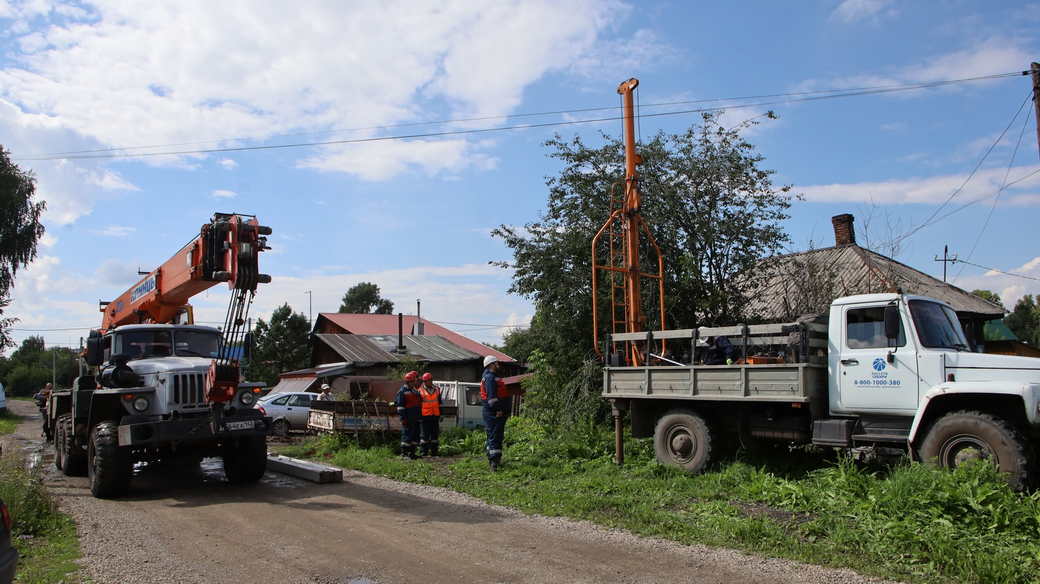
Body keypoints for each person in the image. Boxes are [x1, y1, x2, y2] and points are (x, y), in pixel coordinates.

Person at [480, 355, 511, 471]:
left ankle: (494, 459)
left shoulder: (491, 376)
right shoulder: (489, 378)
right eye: (496, 363)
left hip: (492, 412)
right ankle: (494, 462)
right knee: (495, 436)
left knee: (494, 435)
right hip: (494, 412)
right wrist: (498, 410)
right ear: (491, 365)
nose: (498, 365)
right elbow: (492, 398)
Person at [394, 371, 422, 459]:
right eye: (412, 381)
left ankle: (412, 454)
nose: (414, 383)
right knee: (407, 436)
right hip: (408, 418)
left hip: (416, 418)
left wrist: (419, 417)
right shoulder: (402, 392)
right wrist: (403, 418)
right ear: (408, 382)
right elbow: (400, 407)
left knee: (415, 436)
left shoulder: (415, 391)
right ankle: (404, 454)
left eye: (414, 381)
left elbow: (419, 404)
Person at [418, 372, 442, 457]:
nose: (430, 382)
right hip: (424, 417)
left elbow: (439, 403)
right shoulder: (419, 391)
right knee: (424, 436)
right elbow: (418, 405)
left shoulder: (437, 389)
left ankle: (434, 453)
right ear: (424, 381)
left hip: (435, 416)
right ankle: (423, 453)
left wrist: (440, 414)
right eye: (428, 380)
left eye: (431, 380)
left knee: (434, 436)